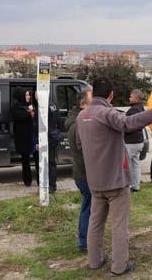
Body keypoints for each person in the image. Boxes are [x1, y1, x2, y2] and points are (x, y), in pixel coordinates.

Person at [76, 77, 152, 276]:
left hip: (95, 181)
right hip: (115, 181)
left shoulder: (82, 117)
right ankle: (119, 266)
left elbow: (81, 145)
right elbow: (130, 123)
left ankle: (94, 261)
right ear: (111, 95)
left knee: (95, 222)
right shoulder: (107, 113)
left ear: (92, 93)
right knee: (119, 225)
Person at [65, 88, 92, 253]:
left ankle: (86, 240)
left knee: (88, 207)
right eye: (92, 101)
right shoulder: (79, 124)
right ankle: (84, 242)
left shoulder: (77, 119)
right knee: (89, 209)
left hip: (83, 173)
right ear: (83, 104)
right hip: (86, 174)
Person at [11, 88, 36, 186]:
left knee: (37, 157)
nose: (29, 97)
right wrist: (29, 113)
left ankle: (39, 180)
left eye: (29, 95)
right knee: (25, 160)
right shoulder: (15, 107)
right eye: (26, 95)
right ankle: (27, 180)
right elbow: (19, 116)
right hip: (23, 138)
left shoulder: (29, 106)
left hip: (32, 136)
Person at [124, 89, 146, 192]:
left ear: (136, 98)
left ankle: (127, 185)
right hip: (139, 141)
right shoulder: (141, 108)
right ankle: (136, 185)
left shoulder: (133, 110)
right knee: (136, 164)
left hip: (130, 141)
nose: (129, 98)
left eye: (131, 96)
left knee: (126, 165)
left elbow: (126, 125)